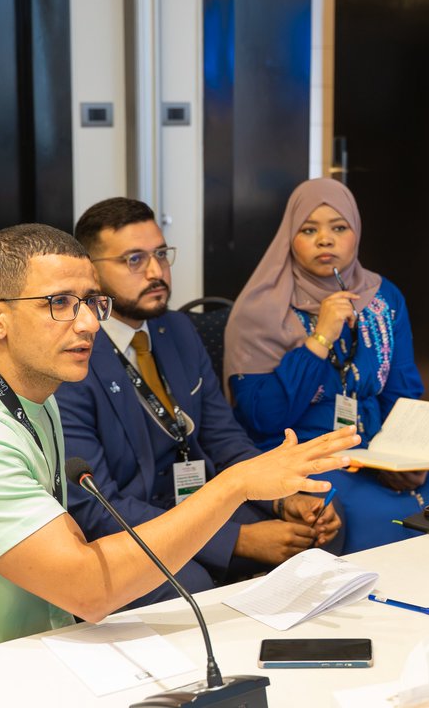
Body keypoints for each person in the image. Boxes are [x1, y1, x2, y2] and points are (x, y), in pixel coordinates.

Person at [0, 223, 358, 670]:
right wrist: (235, 485)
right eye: (60, 303)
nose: (88, 322)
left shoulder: (35, 398)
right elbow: (88, 589)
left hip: (43, 644)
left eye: (91, 302)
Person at [57, 198, 343, 608]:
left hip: (203, 501)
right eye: (134, 260)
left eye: (160, 254)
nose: (156, 272)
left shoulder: (177, 329)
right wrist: (238, 540)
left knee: (322, 527)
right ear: (91, 272)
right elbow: (100, 509)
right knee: (192, 582)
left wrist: (283, 497)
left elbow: (225, 439)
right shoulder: (74, 354)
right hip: (134, 526)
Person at [223, 178, 429, 553]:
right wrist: (320, 339)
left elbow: (402, 392)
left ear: (356, 232)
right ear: (289, 237)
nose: (325, 240)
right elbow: (261, 418)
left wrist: (406, 455)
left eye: (339, 228)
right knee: (382, 528)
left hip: (375, 450)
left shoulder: (384, 298)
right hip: (302, 456)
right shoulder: (260, 310)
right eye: (309, 230)